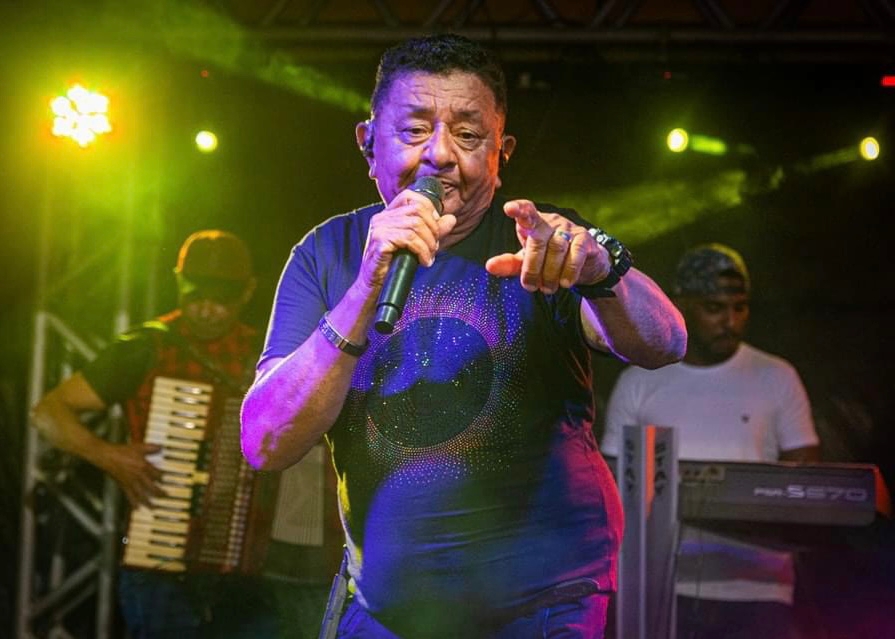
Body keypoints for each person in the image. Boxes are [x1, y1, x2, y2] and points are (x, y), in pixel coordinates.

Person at [240, 33, 687, 639]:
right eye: (414, 130)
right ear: (368, 142)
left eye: (469, 136)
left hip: (542, 602)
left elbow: (666, 342)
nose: (441, 155)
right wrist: (365, 288)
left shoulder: (540, 244)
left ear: (502, 154)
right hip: (387, 609)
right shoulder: (327, 255)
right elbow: (266, 442)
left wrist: (602, 271)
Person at [31, 230, 285, 639]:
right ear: (178, 282)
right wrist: (111, 456)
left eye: (221, 297)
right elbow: (48, 412)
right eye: (195, 294)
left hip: (254, 575)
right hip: (162, 562)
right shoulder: (145, 347)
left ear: (247, 292)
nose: (206, 309)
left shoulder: (269, 352)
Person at [601, 242, 821, 639]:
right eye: (715, 308)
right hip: (662, 588)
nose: (731, 321)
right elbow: (611, 486)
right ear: (681, 304)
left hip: (760, 589)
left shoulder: (777, 376)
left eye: (740, 308)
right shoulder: (639, 380)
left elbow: (807, 483)